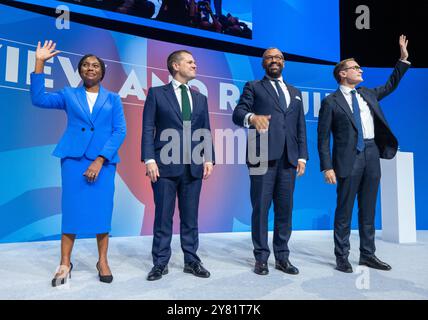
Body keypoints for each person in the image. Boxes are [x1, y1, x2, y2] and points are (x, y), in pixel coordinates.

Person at [30, 40, 127, 286]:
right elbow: (39, 99)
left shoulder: (113, 99)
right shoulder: (69, 94)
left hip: (103, 163)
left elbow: (120, 131)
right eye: (85, 65)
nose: (90, 68)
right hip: (73, 161)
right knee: (71, 210)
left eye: (95, 65)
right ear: (80, 71)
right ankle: (65, 263)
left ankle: (102, 261)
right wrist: (40, 61)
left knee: (102, 210)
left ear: (102, 72)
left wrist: (99, 159)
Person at [317, 35, 410, 273]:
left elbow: (390, 85)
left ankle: (368, 255)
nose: (360, 70)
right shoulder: (331, 102)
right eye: (355, 67)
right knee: (344, 209)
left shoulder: (367, 94)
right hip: (348, 158)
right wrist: (327, 167)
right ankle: (342, 257)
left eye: (359, 67)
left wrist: (402, 60)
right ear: (342, 74)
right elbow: (323, 138)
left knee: (368, 209)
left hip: (371, 153)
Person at [232, 48, 308, 276]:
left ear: (284, 63)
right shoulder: (253, 86)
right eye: (269, 58)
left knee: (285, 210)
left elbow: (300, 127)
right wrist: (252, 118)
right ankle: (261, 258)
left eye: (278, 58)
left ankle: (282, 257)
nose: (274, 60)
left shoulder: (295, 92)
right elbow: (238, 113)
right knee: (261, 209)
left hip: (289, 159)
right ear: (263, 63)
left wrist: (302, 155)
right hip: (261, 157)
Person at [141, 50, 214, 281]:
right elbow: (147, 128)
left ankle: (191, 260)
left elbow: (205, 131)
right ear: (175, 65)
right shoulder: (156, 93)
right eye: (190, 61)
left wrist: (209, 158)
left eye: (195, 61)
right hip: (163, 167)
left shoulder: (200, 97)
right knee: (163, 216)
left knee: (190, 218)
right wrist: (149, 159)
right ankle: (160, 263)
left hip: (193, 167)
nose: (195, 64)